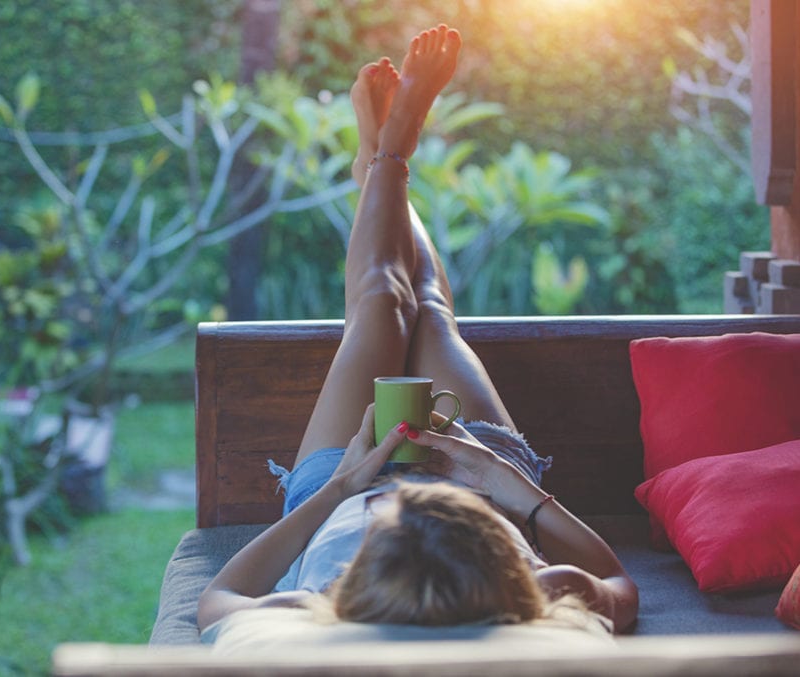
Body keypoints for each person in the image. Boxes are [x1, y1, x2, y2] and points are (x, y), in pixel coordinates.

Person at [197, 24, 639, 644]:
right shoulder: (538, 598)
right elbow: (620, 584)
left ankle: (387, 159)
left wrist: (349, 486)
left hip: (343, 479)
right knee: (428, 311)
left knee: (382, 304)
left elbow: (217, 597)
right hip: (476, 469)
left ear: (349, 583)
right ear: (509, 568)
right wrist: (502, 483)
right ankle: (383, 163)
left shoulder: (317, 608)